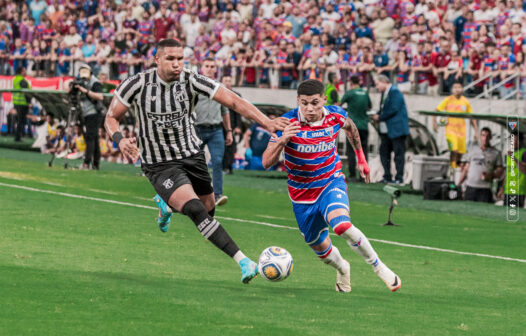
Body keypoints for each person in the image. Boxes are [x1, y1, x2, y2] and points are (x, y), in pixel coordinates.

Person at [104, 39, 288, 284]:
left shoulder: (192, 79)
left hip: (192, 154)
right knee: (195, 210)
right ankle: (244, 261)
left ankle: (166, 205)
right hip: (159, 163)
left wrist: (267, 123)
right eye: (170, 59)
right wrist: (119, 139)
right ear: (156, 59)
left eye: (180, 58)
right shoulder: (136, 85)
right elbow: (111, 117)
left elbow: (232, 100)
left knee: (208, 209)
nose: (177, 64)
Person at [262, 79, 401, 293]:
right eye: (304, 103)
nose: (309, 108)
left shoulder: (335, 115)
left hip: (330, 181)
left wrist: (361, 159)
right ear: (298, 101)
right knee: (320, 248)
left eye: (315, 103)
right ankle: (343, 268)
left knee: (342, 225)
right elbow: (265, 163)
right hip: (301, 195)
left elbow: (352, 129)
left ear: (324, 100)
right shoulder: (286, 123)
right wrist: (282, 141)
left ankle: (379, 267)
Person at [194, 58, 233, 206]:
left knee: (217, 161)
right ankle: (195, 193)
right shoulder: (195, 86)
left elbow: (225, 110)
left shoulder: (220, 87)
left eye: (212, 66)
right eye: (207, 66)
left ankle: (217, 194)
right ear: (201, 68)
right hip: (197, 129)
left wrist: (228, 131)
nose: (210, 69)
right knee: (195, 162)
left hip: (216, 130)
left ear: (216, 69)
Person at [372, 75, 410, 184]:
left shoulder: (395, 92)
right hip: (387, 130)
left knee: (398, 154)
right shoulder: (385, 93)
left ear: (384, 82)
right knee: (384, 153)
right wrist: (377, 114)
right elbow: (384, 108)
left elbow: (394, 109)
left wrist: (380, 117)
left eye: (378, 84)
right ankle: (387, 176)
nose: (377, 87)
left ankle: (399, 178)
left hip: (397, 130)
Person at [65, 64, 104, 170]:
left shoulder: (95, 82)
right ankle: (95, 165)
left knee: (90, 138)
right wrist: (73, 86)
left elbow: (100, 96)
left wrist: (86, 91)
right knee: (94, 139)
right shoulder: (81, 81)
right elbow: (67, 92)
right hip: (86, 113)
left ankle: (86, 163)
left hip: (94, 113)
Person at [433, 81, 478, 168]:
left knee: (460, 152)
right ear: (452, 89)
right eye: (455, 87)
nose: (457, 89)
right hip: (450, 131)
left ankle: (456, 168)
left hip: (461, 132)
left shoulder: (465, 102)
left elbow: (472, 117)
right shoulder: (448, 100)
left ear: (462, 89)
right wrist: (434, 123)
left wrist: (476, 131)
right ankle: (452, 168)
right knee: (454, 150)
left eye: (459, 87)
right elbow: (436, 110)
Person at [340, 75, 372, 182]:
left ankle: (352, 175)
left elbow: (339, 104)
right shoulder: (365, 93)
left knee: (351, 150)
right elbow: (369, 106)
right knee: (363, 151)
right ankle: (364, 176)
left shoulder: (350, 93)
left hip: (352, 126)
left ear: (351, 83)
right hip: (364, 125)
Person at [459, 128, 503, 203]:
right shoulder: (473, 149)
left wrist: (491, 175)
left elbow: (500, 172)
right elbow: (466, 168)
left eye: (487, 136)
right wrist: (459, 183)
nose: (485, 138)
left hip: (484, 188)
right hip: (470, 187)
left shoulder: (496, 153)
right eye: (483, 135)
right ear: (480, 136)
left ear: (490, 138)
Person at [220, 74, 242, 175]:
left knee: (231, 147)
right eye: (226, 80)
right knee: (222, 147)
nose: (228, 83)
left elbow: (239, 113)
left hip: (232, 126)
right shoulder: (218, 94)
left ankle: (229, 168)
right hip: (219, 125)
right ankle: (223, 167)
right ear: (222, 82)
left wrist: (238, 126)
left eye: (229, 81)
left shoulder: (236, 95)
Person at [499, 132, 526, 208]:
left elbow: (524, 170)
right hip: (508, 190)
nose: (513, 143)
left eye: (515, 140)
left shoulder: (524, 153)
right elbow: (507, 173)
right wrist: (502, 188)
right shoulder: (509, 155)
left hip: (518, 191)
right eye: (511, 140)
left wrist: (514, 159)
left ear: (521, 141)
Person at [12, 67, 31, 142]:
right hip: (22, 103)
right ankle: (17, 137)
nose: (26, 72)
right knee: (21, 121)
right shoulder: (22, 80)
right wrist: (29, 102)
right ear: (21, 72)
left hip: (16, 103)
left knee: (19, 121)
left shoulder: (15, 79)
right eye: (24, 71)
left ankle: (18, 136)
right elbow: (26, 93)